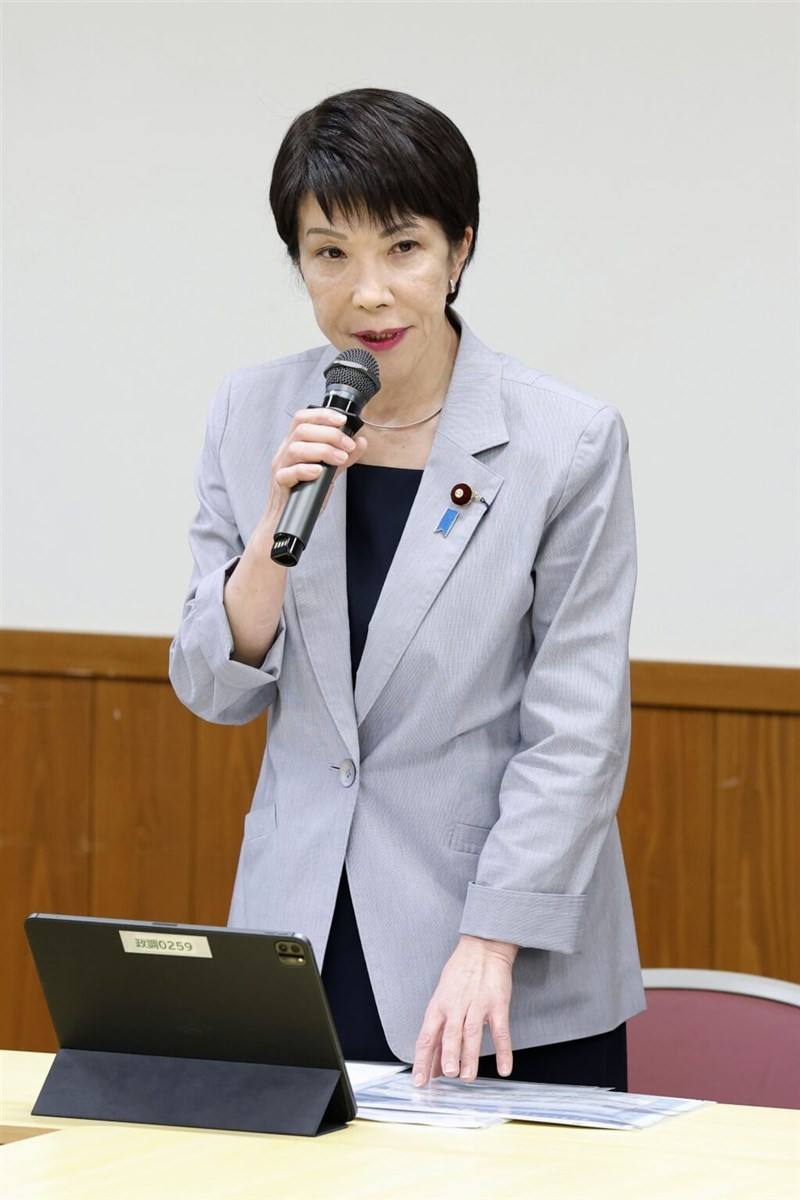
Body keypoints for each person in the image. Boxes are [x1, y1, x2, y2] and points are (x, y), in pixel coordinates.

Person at [169, 88, 644, 1090]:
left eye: (402, 248)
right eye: (328, 253)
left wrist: (492, 937)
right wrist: (269, 534)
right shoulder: (254, 411)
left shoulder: (564, 441)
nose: (368, 292)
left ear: (458, 251)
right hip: (299, 937)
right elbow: (213, 690)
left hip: (497, 952)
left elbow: (577, 728)